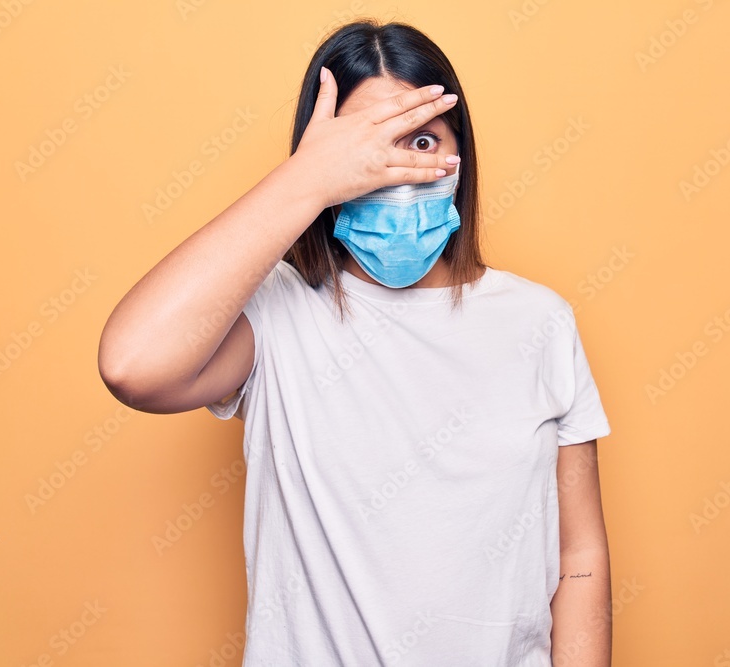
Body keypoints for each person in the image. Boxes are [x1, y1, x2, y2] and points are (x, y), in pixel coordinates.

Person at [98, 19, 613, 667]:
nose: (397, 172)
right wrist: (307, 180)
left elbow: (579, 555)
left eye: (421, 140)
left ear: (461, 155)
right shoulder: (278, 315)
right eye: (366, 149)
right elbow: (131, 363)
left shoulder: (540, 321)